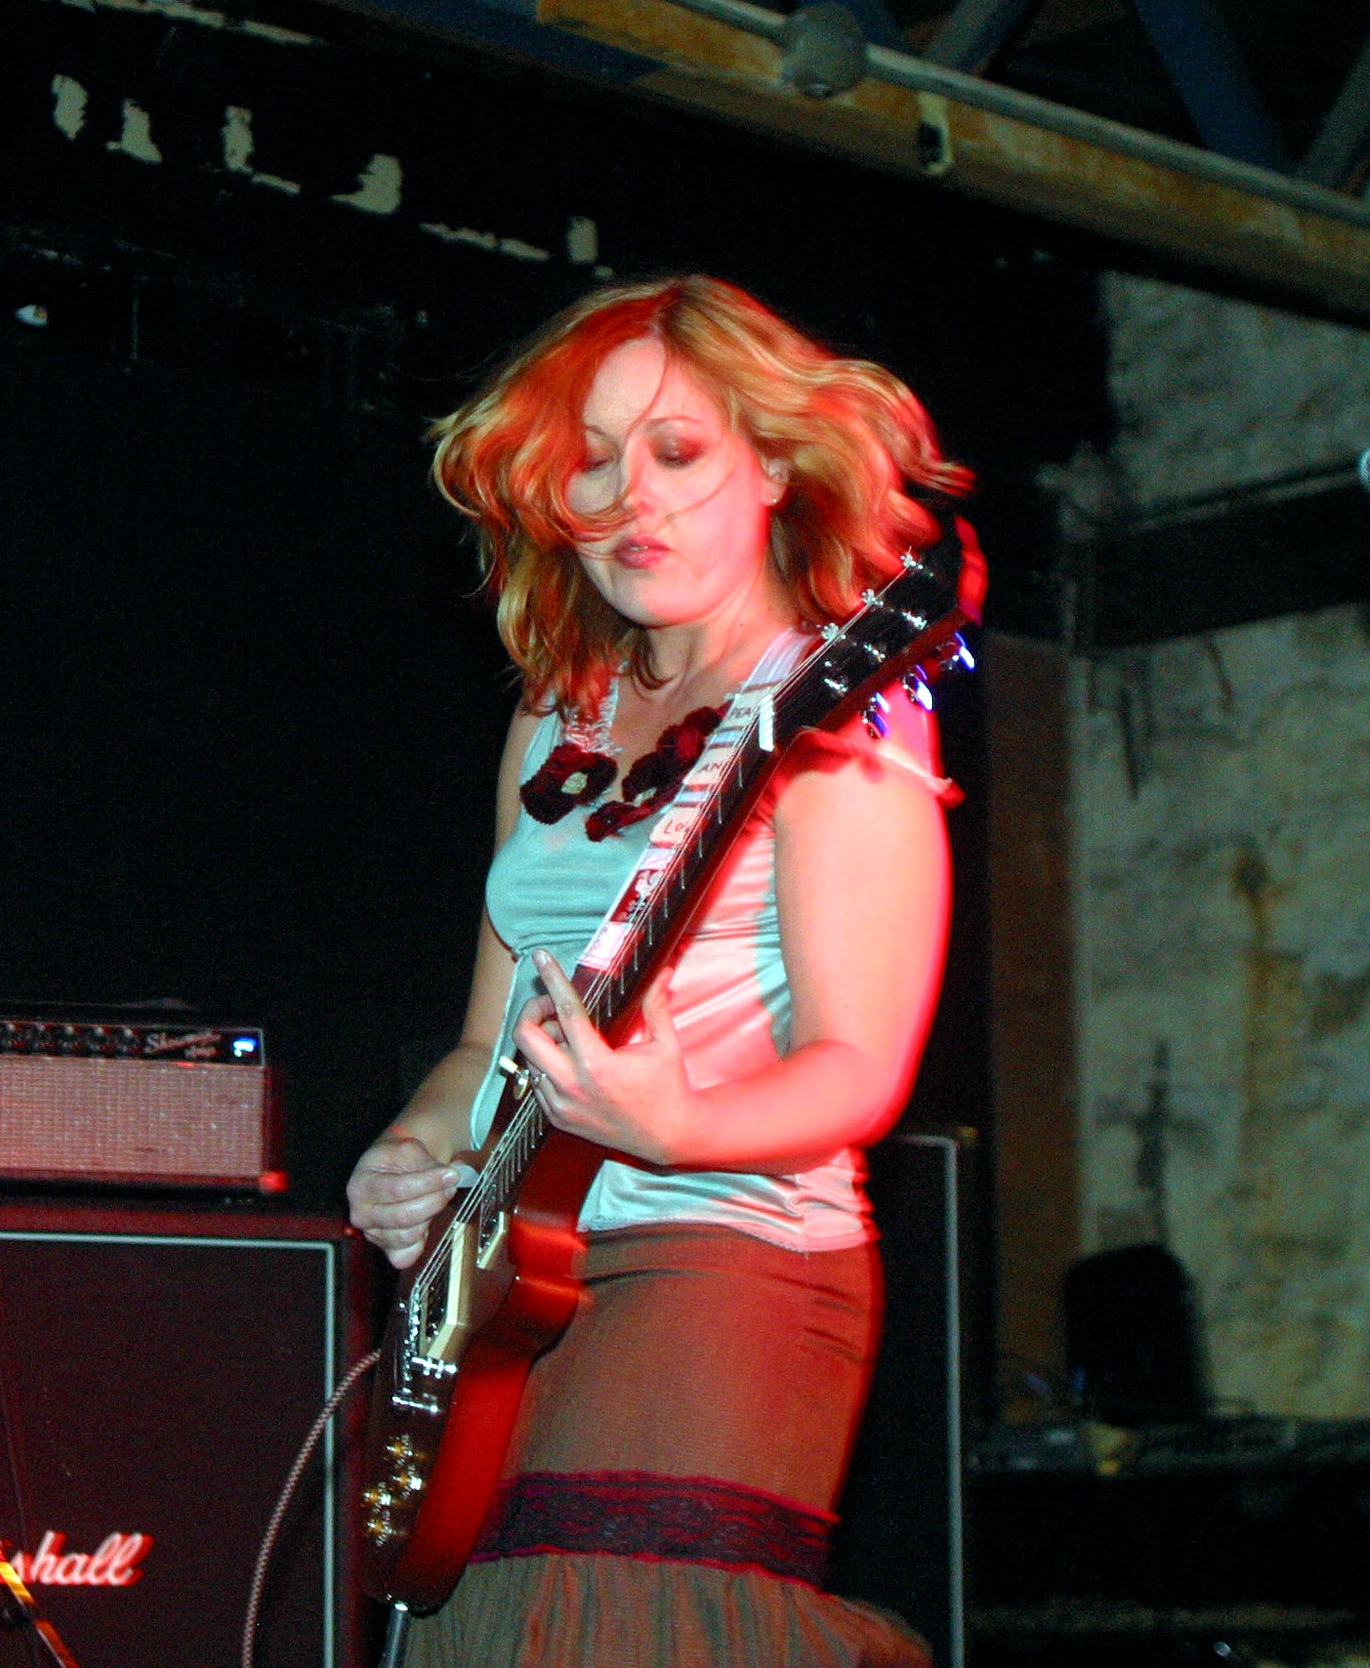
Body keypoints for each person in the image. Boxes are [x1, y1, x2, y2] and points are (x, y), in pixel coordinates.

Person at [348, 278, 964, 1666]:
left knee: (621, 1623)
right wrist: (411, 1152)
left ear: (773, 466)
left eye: (677, 453)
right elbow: (483, 1044)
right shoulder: (554, 717)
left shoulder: (842, 708)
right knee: (484, 1621)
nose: (631, 496)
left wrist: (674, 1126)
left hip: (729, 1250)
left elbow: (861, 1071)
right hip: (513, 1268)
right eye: (593, 458)